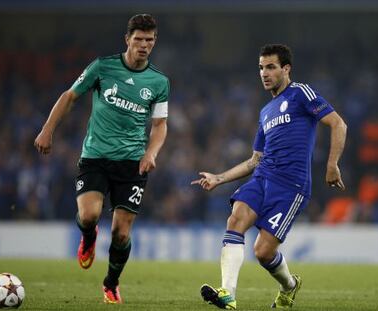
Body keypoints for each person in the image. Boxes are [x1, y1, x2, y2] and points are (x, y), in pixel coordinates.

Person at [192, 44, 347, 310]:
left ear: (286, 69)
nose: (264, 73)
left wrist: (332, 164)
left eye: (271, 67)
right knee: (235, 219)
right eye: (261, 68)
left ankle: (289, 286)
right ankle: (227, 293)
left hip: (291, 186)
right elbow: (255, 160)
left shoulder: (301, 93)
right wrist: (219, 177)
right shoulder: (266, 112)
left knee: (263, 252)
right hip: (263, 178)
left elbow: (338, 123)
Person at [34, 14, 169, 304]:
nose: (144, 45)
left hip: (132, 163)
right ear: (127, 39)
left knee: (121, 233)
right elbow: (70, 96)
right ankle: (89, 236)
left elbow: (159, 125)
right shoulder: (103, 67)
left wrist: (151, 152)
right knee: (89, 215)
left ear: (154, 41)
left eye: (149, 40)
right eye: (139, 39)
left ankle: (111, 283)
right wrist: (47, 130)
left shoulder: (158, 82)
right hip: (95, 155)